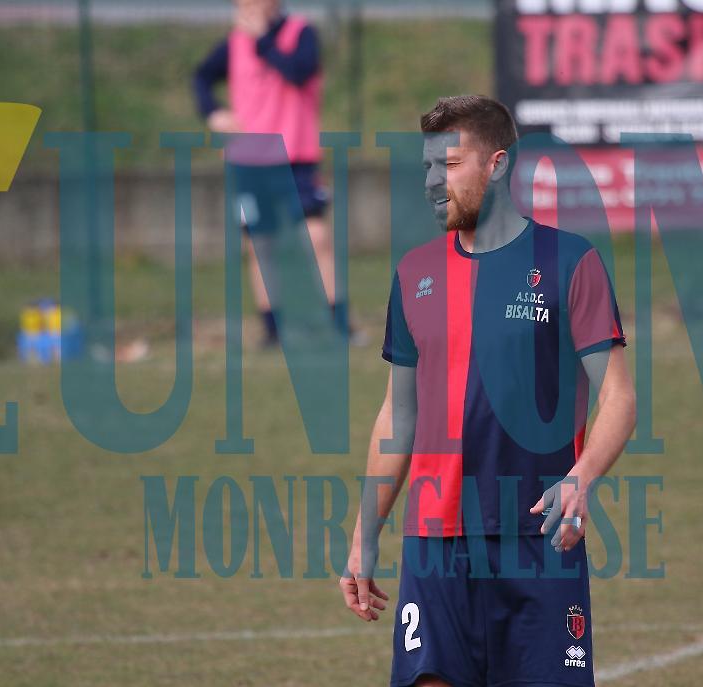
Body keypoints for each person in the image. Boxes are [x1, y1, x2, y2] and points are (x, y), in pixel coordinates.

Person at [338, 95, 637, 687]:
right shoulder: (415, 273)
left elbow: (619, 398)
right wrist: (365, 533)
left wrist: (581, 478)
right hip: (434, 545)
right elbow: (398, 414)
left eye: (449, 165)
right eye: (428, 167)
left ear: (497, 164)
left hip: (537, 536)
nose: (433, 181)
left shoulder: (569, 262)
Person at [193, 0, 356, 347]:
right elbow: (201, 77)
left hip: (295, 158)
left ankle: (341, 324)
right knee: (259, 244)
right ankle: (272, 331)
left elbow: (299, 72)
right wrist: (213, 112)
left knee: (316, 238)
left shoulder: (301, 33)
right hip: (248, 161)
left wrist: (263, 40)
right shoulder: (234, 42)